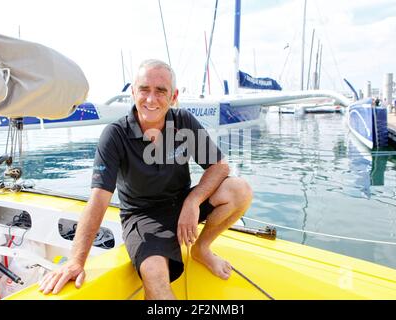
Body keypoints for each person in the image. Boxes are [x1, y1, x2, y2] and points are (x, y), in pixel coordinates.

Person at [38, 59, 253, 299]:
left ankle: (201, 249)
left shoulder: (183, 121)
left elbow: (219, 165)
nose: (151, 99)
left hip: (182, 203)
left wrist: (193, 202)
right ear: (133, 92)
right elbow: (98, 201)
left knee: (239, 189)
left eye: (161, 91)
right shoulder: (115, 135)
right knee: (156, 280)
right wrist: (75, 261)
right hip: (143, 217)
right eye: (144, 90)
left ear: (173, 96)